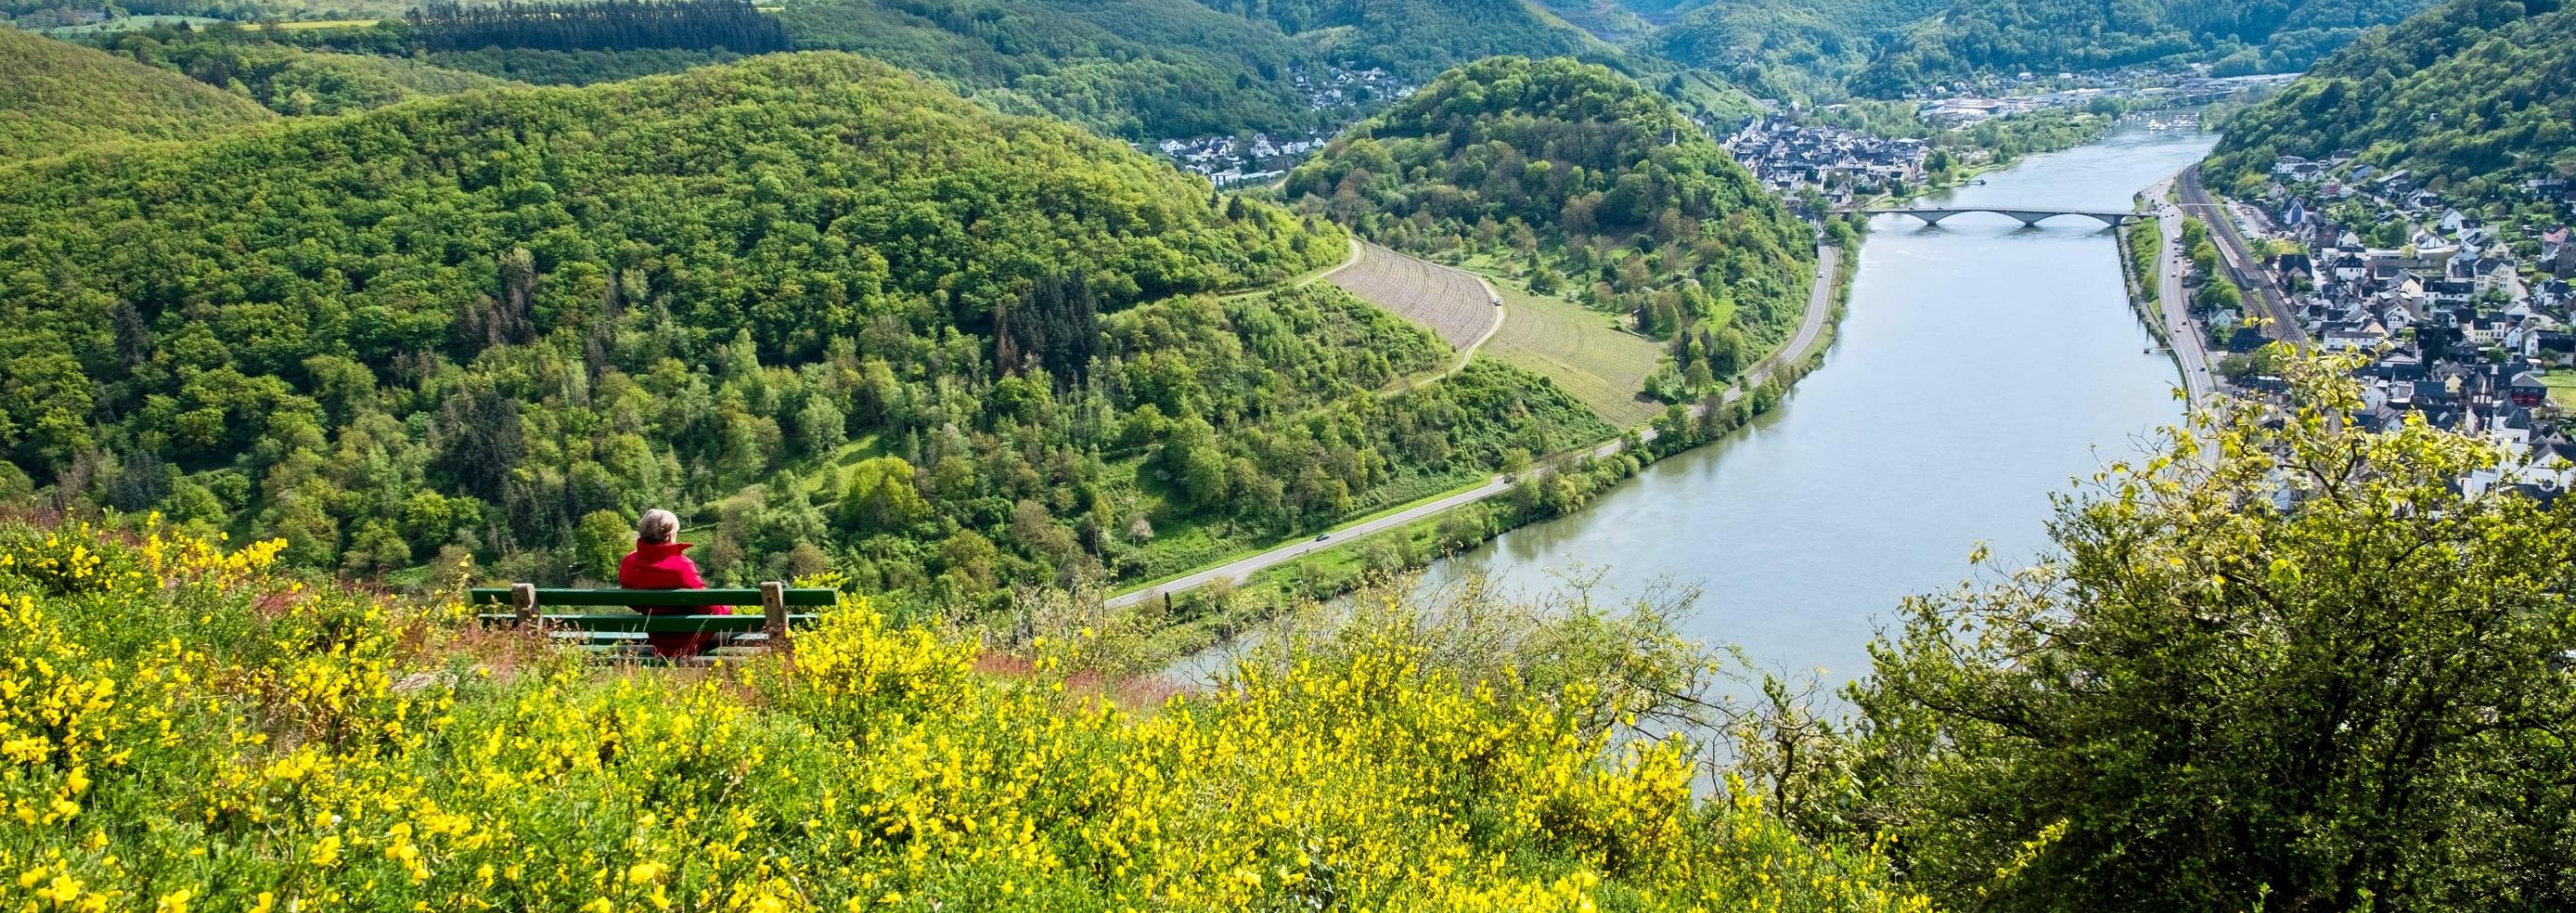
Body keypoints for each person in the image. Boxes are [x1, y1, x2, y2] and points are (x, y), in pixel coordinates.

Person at [616, 509, 731, 658]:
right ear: (671, 535)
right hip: (688, 641)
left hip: (658, 638)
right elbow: (712, 610)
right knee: (742, 629)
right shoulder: (682, 566)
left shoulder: (629, 562)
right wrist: (727, 607)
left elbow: (633, 602)